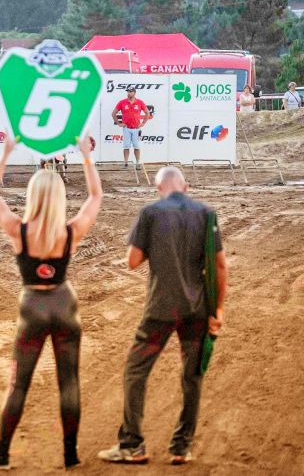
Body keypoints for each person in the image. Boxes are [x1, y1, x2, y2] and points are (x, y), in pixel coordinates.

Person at [0, 134, 103, 470]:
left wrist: (5, 154)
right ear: (60, 198)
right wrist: (85, 156)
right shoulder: (70, 232)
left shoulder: (18, 230)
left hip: (32, 306)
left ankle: (2, 454)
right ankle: (70, 455)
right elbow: (95, 195)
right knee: (70, 384)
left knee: (18, 384)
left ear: (32, 196)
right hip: (65, 305)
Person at [97, 167, 228, 466]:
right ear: (185, 187)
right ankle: (182, 447)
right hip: (196, 310)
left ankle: (132, 445)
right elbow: (220, 266)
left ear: (158, 188)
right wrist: (218, 310)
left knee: (135, 371)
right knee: (192, 376)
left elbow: (133, 261)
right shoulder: (207, 214)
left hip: (160, 310)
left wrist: (154, 245)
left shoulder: (151, 213)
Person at [112, 86, 151, 169]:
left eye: (130, 92)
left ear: (134, 93)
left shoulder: (140, 102)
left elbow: (147, 113)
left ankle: (137, 163)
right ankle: (126, 163)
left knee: (137, 146)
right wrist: (119, 123)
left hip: (136, 129)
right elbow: (113, 113)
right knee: (126, 146)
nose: (128, 93)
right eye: (128, 92)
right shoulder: (122, 102)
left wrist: (143, 123)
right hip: (126, 128)